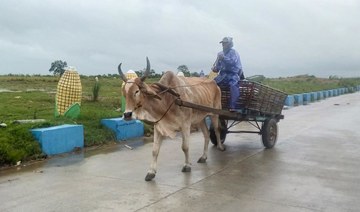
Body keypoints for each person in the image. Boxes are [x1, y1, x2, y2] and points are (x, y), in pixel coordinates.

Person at [212, 37, 243, 111]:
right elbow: (218, 67)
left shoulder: (234, 53)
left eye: (225, 43)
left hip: (233, 74)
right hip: (222, 75)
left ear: (229, 45)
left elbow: (233, 62)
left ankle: (232, 106)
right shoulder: (220, 54)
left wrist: (224, 58)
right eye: (222, 43)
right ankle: (212, 103)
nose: (223, 45)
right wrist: (215, 69)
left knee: (233, 86)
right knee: (212, 83)